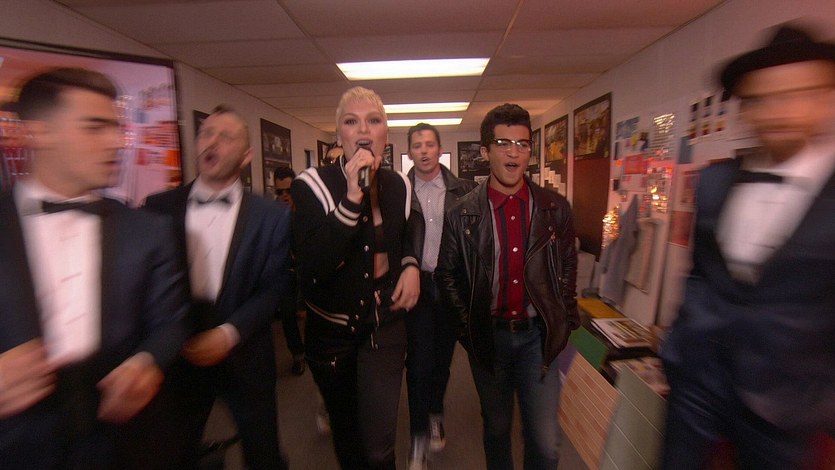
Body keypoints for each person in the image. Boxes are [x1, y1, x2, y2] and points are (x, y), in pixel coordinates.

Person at [660, 23, 835, 469]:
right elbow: (700, 274)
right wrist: (677, 352)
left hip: (787, 407)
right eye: (761, 99)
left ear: (825, 96)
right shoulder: (714, 183)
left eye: (795, 94)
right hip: (697, 385)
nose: (778, 111)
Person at [0, 67, 189, 469]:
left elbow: (171, 322)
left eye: (116, 128)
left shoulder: (148, 230)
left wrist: (146, 361)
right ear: (37, 132)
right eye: (94, 127)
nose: (116, 142)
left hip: (124, 442)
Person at [142, 104, 292, 469]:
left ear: (247, 155)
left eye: (226, 137)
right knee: (172, 453)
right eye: (206, 133)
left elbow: (275, 285)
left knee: (263, 454)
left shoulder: (272, 216)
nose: (212, 142)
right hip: (176, 356)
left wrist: (228, 334)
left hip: (245, 352)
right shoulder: (158, 207)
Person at [435, 103, 579, 470]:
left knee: (545, 442)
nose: (513, 153)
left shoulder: (555, 209)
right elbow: (446, 276)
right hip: (489, 338)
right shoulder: (461, 214)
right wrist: (469, 331)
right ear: (485, 152)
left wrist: (564, 319)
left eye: (522, 144)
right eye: (503, 143)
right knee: (497, 428)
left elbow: (567, 268)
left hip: (537, 339)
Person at [291, 86, 420, 469]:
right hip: (332, 333)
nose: (363, 129)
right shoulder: (311, 185)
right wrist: (351, 198)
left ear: (385, 134)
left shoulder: (399, 184)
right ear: (339, 135)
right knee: (349, 443)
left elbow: (409, 229)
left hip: (385, 324)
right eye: (352, 121)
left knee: (379, 448)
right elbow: (313, 265)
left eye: (373, 120)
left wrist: (410, 263)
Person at [404, 122, 476, 469]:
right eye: (417, 145)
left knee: (441, 363)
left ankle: (435, 413)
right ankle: (418, 436)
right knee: (418, 364)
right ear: (409, 152)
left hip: (449, 286)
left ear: (440, 149)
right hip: (416, 286)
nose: (424, 151)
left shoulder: (464, 190)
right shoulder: (399, 191)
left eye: (429, 144)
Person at [274, 165, 305, 376]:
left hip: (307, 272)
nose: (284, 195)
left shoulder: (306, 210)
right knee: (287, 315)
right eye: (280, 192)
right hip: (285, 273)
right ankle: (298, 354)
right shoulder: (274, 215)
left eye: (288, 190)